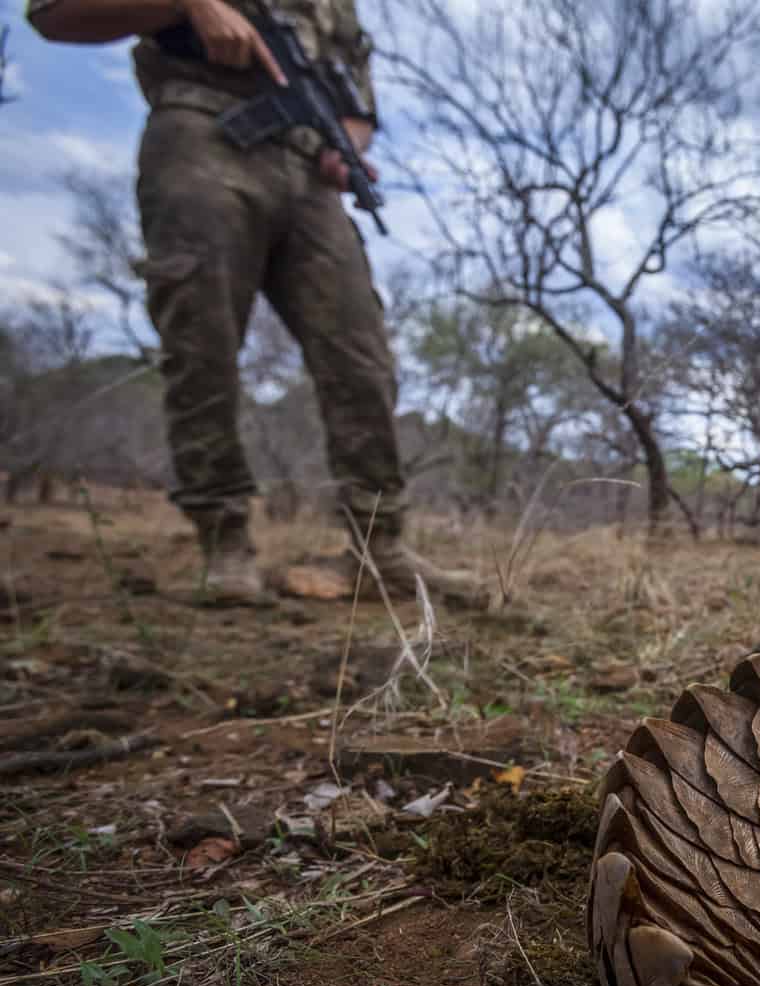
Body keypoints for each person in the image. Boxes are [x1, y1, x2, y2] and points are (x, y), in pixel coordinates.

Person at [26, 0, 489, 609]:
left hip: (309, 175)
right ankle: (225, 544)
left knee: (363, 357)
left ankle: (381, 549)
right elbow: (54, 15)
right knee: (202, 345)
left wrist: (341, 144)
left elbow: (358, 104)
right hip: (203, 134)